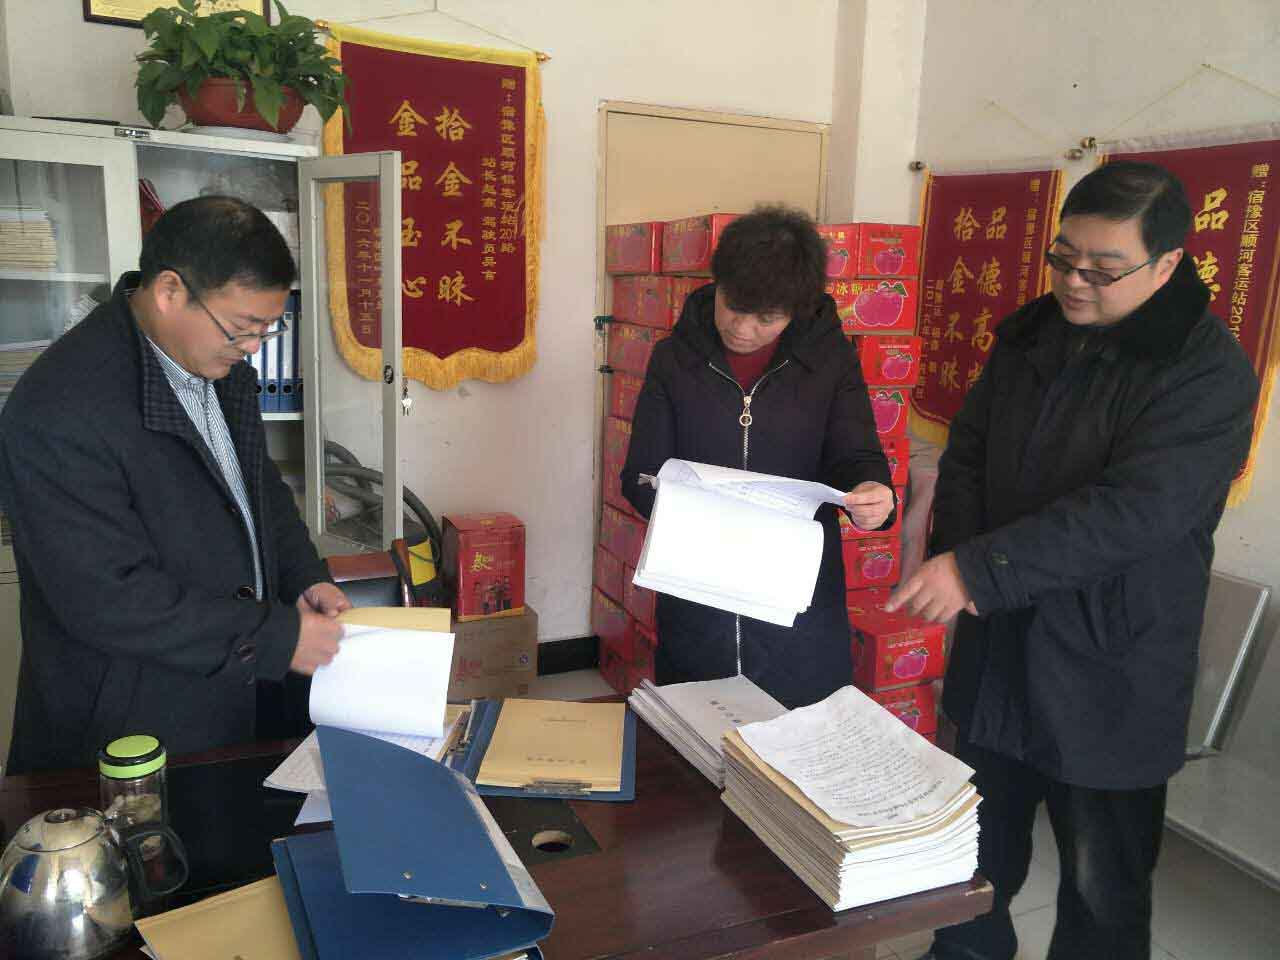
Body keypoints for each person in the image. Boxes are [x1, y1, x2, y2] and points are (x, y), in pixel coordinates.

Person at [887, 162, 1258, 959]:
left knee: (1100, 886)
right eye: (1064, 258)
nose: (1074, 282)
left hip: (1111, 663)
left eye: (1103, 269)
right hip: (1001, 644)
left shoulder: (1206, 371)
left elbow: (1137, 511)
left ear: (1167, 263)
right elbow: (969, 451)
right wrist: (958, 554)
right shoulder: (1033, 333)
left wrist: (976, 571)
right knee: (974, 860)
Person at [0, 195, 351, 775]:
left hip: (236, 691)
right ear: (169, 291)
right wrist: (274, 638)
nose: (253, 348)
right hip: (131, 724)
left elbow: (258, 491)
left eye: (266, 329)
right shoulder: (60, 409)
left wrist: (303, 576)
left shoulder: (217, 363)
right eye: (241, 328)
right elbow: (107, 598)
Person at [621, 205, 895, 708]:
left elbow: (856, 454)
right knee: (700, 729)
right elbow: (638, 476)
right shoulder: (675, 359)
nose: (742, 329)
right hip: (699, 590)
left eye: (766, 318)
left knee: (796, 732)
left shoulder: (830, 361)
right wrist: (697, 521)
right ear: (717, 284)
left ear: (796, 310)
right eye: (733, 306)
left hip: (797, 602)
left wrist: (873, 491)